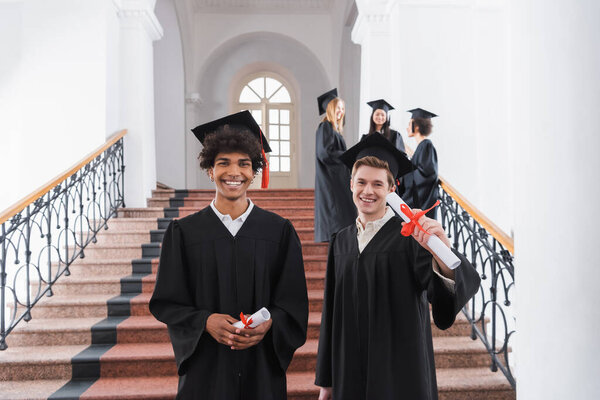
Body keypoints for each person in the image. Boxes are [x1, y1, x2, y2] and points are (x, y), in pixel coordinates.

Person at [149, 111, 309, 400]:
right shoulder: (184, 233)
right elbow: (167, 302)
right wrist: (205, 321)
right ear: (210, 169)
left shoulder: (279, 231)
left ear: (254, 171)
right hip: (206, 371)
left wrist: (271, 323)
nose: (233, 172)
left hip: (261, 369)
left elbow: (293, 302)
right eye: (223, 163)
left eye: (243, 164)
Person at [314, 134, 480, 400]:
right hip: (349, 370)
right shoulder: (340, 241)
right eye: (362, 182)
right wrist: (327, 381)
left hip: (398, 372)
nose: (367, 191)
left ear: (392, 190)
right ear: (351, 185)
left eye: (378, 184)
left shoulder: (411, 237)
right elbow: (331, 316)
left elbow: (444, 295)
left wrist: (443, 252)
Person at [314, 88, 356, 242]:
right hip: (331, 182)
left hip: (337, 180)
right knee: (337, 220)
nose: (341, 112)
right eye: (338, 108)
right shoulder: (325, 127)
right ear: (330, 108)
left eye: (343, 109)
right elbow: (325, 153)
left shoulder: (335, 131)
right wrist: (348, 157)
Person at [400, 108, 439, 219]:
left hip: (421, 202)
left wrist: (406, 174)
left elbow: (427, 174)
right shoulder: (421, 147)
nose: (407, 128)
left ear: (416, 126)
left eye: (409, 124)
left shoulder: (426, 145)